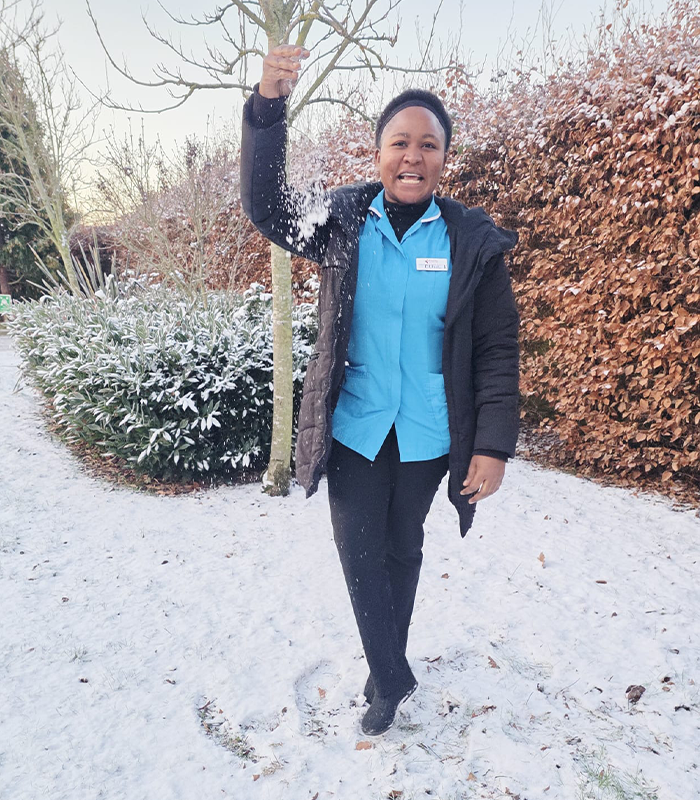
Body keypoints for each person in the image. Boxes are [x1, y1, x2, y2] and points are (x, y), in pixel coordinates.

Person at [240, 45, 520, 736]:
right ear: (377, 153)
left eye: (428, 145)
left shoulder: (470, 239)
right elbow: (267, 205)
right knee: (357, 550)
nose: (412, 156)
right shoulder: (340, 222)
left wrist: (492, 445)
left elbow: (496, 349)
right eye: (400, 142)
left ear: (444, 159)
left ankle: (380, 675)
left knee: (403, 549)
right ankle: (393, 670)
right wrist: (268, 108)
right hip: (357, 424)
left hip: (429, 430)